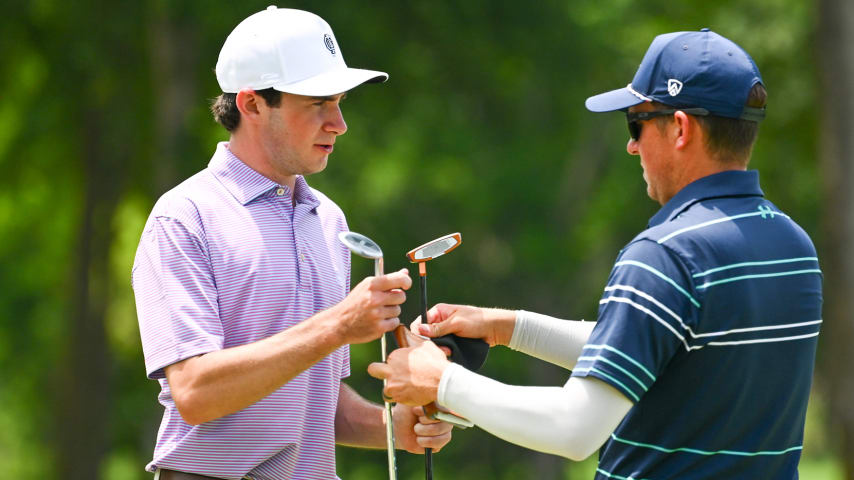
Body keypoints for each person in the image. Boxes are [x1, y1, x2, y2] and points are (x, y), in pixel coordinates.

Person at [369, 28, 822, 478]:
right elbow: (661, 345)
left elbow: (574, 429)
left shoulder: (665, 254)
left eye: (636, 123)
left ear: (680, 128)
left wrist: (442, 382)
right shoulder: (793, 245)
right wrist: (507, 328)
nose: (631, 145)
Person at [132, 7, 451, 480]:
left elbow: (315, 399)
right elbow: (195, 392)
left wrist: (393, 425)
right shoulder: (183, 218)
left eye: (340, 103)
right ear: (252, 103)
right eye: (319, 104)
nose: (339, 123)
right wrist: (339, 324)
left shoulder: (328, 220)